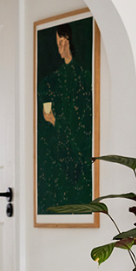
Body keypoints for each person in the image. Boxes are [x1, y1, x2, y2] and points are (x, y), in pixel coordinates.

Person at [37, 23, 93, 212]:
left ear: (70, 41)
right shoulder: (53, 81)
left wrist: (56, 122)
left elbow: (81, 122)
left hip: (76, 152)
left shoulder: (83, 78)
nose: (59, 48)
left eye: (62, 42)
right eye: (57, 43)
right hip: (59, 150)